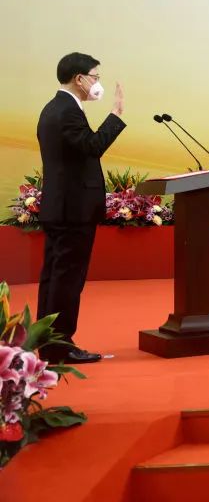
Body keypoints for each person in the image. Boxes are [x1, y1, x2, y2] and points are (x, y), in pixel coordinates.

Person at [36, 52, 126, 363]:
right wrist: (115, 114)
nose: (97, 82)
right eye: (95, 77)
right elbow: (92, 146)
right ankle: (60, 347)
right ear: (79, 79)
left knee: (54, 278)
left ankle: (48, 343)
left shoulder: (53, 108)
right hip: (72, 210)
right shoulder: (67, 111)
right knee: (67, 281)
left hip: (61, 207)